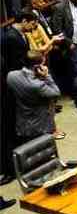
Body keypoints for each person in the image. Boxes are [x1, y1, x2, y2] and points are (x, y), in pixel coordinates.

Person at [1, 11, 38, 186]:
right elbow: (16, 64)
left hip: (17, 84)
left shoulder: (18, 35)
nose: (33, 28)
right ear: (24, 21)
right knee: (12, 128)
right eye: (32, 24)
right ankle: (10, 168)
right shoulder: (11, 38)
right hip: (13, 88)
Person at [7, 50, 63, 144]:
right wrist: (46, 76)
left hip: (23, 121)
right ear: (38, 66)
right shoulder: (37, 85)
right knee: (43, 150)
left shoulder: (11, 75)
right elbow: (56, 92)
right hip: (40, 125)